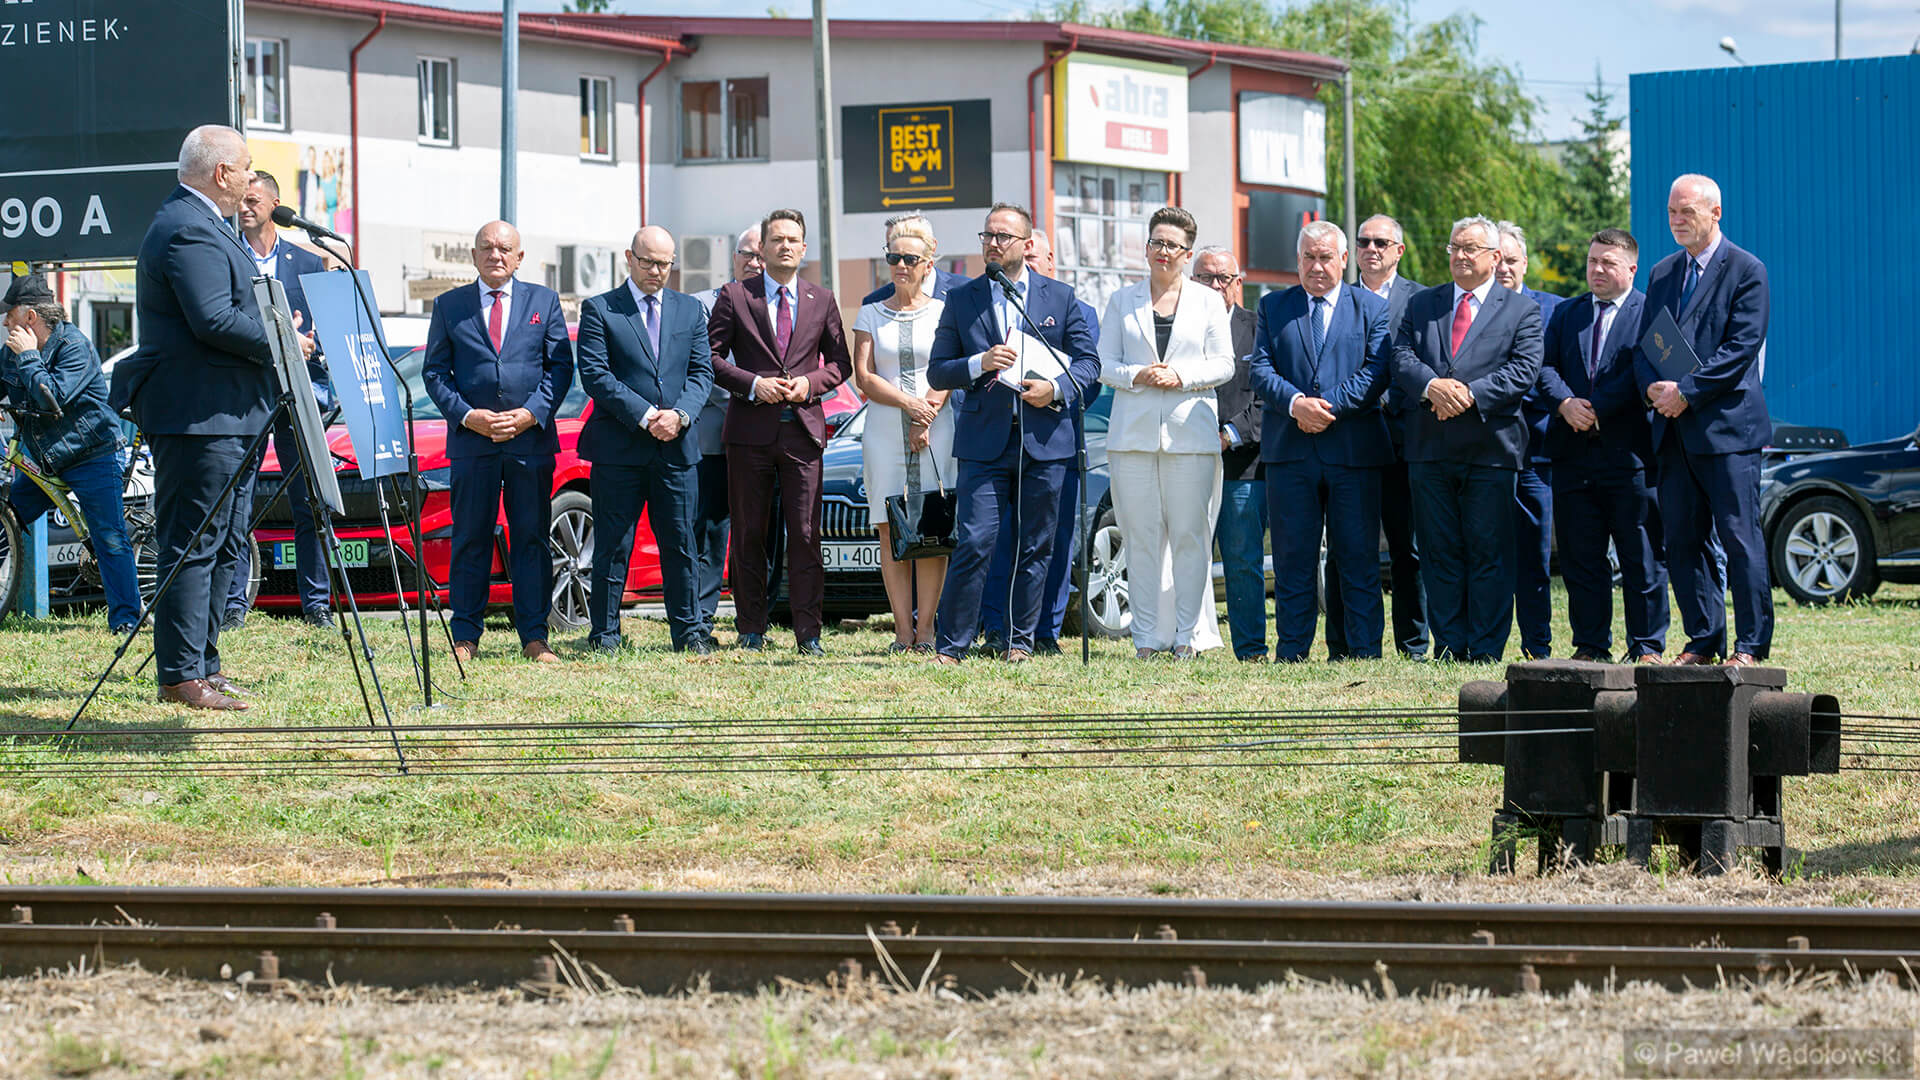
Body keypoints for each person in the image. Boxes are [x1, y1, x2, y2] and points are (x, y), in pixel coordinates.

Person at [109, 124, 311, 710]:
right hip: (200, 417)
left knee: (221, 543)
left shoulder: (207, 224)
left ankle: (204, 665)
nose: (251, 178)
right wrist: (284, 340)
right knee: (192, 544)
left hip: (227, 414)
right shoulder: (187, 228)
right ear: (222, 173)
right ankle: (180, 676)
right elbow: (213, 319)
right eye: (245, 168)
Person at [928, 202, 1099, 664]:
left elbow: (1089, 363)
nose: (992, 243)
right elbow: (938, 371)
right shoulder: (962, 298)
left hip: (1045, 442)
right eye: (987, 235)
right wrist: (978, 363)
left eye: (1002, 236)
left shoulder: (1059, 297)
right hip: (984, 442)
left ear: (1026, 244)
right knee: (976, 540)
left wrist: (1055, 389)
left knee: (1036, 545)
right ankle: (952, 645)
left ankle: (1020, 642)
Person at [1391, 215, 1544, 663]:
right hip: (1429, 448)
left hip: (1490, 450)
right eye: (1455, 247)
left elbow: (1524, 369)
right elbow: (1400, 356)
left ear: (1495, 257)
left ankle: (1485, 647)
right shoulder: (1423, 303)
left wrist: (1468, 395)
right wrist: (1431, 386)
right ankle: (1450, 645)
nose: (1460, 255)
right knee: (1438, 551)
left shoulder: (1520, 309)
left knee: (1489, 553)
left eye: (1470, 248)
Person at [421, 220, 575, 665]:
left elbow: (560, 368)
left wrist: (530, 414)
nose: (496, 255)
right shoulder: (450, 305)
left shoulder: (544, 301)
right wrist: (468, 416)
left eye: (505, 248)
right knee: (470, 537)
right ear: (473, 256)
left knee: (531, 538)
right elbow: (435, 373)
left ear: (519, 257)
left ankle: (535, 637)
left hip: (529, 442)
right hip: (473, 442)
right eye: (487, 248)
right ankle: (465, 635)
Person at [1635, 174, 1773, 666]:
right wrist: (1651, 389)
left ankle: (1750, 645)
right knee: (1682, 540)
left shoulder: (1747, 270)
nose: (1676, 221)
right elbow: (1647, 344)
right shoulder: (1662, 273)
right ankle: (1702, 639)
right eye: (1671, 212)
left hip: (1728, 432)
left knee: (1740, 539)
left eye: (1687, 212)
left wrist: (1686, 393)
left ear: (1715, 213)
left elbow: (1741, 348)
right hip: (1673, 433)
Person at [708, 208, 853, 656]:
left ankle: (809, 634)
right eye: (777, 240)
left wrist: (811, 383)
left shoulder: (821, 299)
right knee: (749, 532)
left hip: (803, 434)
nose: (785, 246)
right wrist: (753, 384)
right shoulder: (736, 296)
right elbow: (710, 359)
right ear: (763, 249)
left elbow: (840, 364)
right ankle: (751, 628)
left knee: (806, 535)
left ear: (803, 249)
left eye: (793, 240)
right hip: (749, 433)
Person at [1250, 221, 1393, 661]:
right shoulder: (1273, 306)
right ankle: (1292, 652)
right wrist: (1297, 405)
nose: (1316, 266)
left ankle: (1364, 651)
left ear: (1344, 259)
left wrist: (1325, 407)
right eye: (1308, 257)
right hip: (1290, 451)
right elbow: (1260, 369)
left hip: (1353, 451)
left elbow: (1376, 372)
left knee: (1357, 557)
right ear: (1297, 261)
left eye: (1325, 257)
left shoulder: (1372, 308)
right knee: (1293, 558)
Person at [1096, 207, 1234, 659]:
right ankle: (1145, 638)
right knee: (1139, 537)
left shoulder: (1208, 301)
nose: (1162, 251)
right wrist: (1136, 374)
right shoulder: (1122, 300)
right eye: (1156, 242)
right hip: (1132, 437)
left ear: (1187, 253)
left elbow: (1224, 364)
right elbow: (1103, 364)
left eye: (1172, 245)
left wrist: (1181, 376)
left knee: (1190, 537)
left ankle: (1186, 636)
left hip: (1190, 435)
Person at [574, 226, 713, 654]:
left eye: (664, 264)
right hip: (620, 449)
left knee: (681, 544)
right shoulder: (600, 309)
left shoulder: (690, 310)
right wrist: (648, 415)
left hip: (676, 448)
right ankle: (605, 635)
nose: (656, 270)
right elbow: (596, 375)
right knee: (612, 545)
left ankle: (689, 634)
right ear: (629, 258)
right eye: (648, 261)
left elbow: (701, 374)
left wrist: (680, 415)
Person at [1538, 228, 1669, 663]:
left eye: (1607, 263)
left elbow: (1646, 373)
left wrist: (1596, 408)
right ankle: (1591, 646)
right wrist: (1564, 403)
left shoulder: (1651, 312)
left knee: (1641, 556)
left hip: (1631, 456)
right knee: (1581, 557)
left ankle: (1646, 645)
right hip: (1573, 454)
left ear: (1631, 268)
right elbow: (1544, 367)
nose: (1596, 269)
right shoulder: (1567, 312)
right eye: (1592, 261)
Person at [977, 228, 1101, 655]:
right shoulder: (991, 305)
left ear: (1051, 263)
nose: (1027, 264)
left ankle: (1045, 630)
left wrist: (1054, 392)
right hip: (998, 441)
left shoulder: (1077, 308)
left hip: (1055, 441)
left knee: (1054, 540)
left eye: (1035, 257)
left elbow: (1089, 378)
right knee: (998, 540)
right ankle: (997, 627)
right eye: (1022, 256)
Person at [222, 170, 335, 631]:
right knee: (238, 498)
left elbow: (325, 328)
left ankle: (317, 603)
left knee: (309, 497)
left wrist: (309, 343)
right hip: (246, 389)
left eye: (253, 200)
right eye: (240, 200)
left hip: (299, 388)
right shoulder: (225, 253)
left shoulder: (306, 262)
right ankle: (234, 602)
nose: (244, 207)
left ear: (274, 204)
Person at [2, 275, 141, 634]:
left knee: (109, 537)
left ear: (30, 317)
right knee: (7, 520)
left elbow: (53, 398)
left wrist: (29, 357)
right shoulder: (10, 351)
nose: (4, 323)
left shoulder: (74, 346)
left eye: (9, 315)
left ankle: (126, 619)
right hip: (46, 458)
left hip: (91, 454)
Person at [1326, 214, 1428, 660]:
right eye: (1364, 241)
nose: (1371, 249)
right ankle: (1342, 643)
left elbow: (1427, 360)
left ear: (1399, 250)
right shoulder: (1338, 298)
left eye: (1381, 242)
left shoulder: (1423, 300)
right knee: (1345, 546)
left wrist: (1392, 400)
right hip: (1352, 436)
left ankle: (1413, 644)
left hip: (1406, 437)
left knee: (1409, 548)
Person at [851, 216, 954, 653]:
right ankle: (901, 632)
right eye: (893, 257)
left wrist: (925, 413)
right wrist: (909, 406)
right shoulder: (869, 312)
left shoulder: (944, 312)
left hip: (937, 427)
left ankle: (926, 630)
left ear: (928, 263)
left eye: (910, 259)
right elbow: (864, 376)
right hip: (883, 431)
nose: (900, 265)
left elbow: (948, 369)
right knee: (888, 527)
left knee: (932, 527)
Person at [1494, 221, 1565, 659]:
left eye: (1511, 260)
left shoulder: (1555, 310)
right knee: (1487, 553)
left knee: (1535, 554)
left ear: (1525, 263)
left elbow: (1555, 372)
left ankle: (1537, 645)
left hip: (1537, 452)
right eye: (1496, 259)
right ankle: (1485, 642)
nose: (1503, 267)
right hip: (1485, 450)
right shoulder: (1473, 310)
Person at [690, 224, 763, 644]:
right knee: (711, 530)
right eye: (747, 253)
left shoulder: (781, 306)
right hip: (715, 440)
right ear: (733, 258)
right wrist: (755, 397)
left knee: (761, 532)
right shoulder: (704, 304)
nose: (754, 262)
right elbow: (706, 367)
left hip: (768, 439)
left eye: (761, 254)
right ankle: (700, 621)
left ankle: (756, 623)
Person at [1194, 246, 1266, 662]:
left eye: (1223, 278)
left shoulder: (1258, 328)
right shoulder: (1177, 329)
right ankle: (1188, 642)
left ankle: (1250, 649)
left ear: (1238, 283)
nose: (1215, 285)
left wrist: (1228, 434)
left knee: (1241, 559)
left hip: (1242, 464)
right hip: (1186, 460)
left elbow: (1266, 398)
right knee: (1185, 555)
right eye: (1205, 277)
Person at [861, 211, 969, 304]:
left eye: (910, 257)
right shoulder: (875, 302)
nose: (901, 264)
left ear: (932, 246)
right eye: (892, 246)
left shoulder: (965, 291)